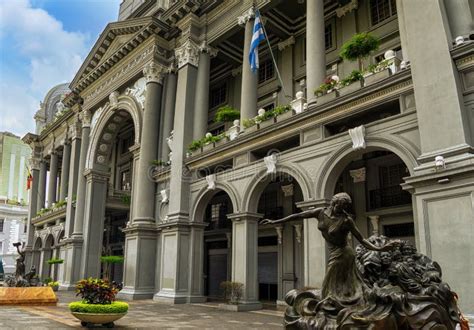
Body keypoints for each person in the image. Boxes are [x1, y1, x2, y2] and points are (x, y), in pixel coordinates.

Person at [261, 192, 399, 304]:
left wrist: (380, 249)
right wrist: (275, 221)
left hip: (344, 253)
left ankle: (328, 306)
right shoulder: (321, 212)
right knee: (341, 284)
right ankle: (337, 304)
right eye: (342, 204)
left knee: (330, 280)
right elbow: (298, 215)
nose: (344, 207)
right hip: (333, 251)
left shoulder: (346, 220)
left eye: (346, 205)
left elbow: (361, 239)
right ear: (335, 202)